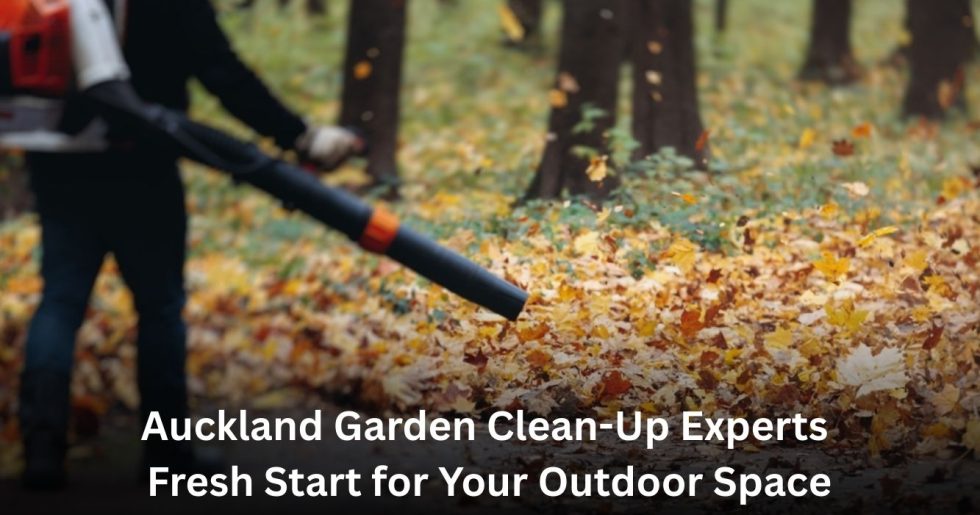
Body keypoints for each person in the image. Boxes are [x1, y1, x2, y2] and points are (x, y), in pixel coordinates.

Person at [18, 0, 361, 490]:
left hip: (61, 164)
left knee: (60, 302)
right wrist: (299, 136)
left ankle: (43, 451)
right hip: (144, 166)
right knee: (159, 308)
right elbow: (222, 72)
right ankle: (167, 453)